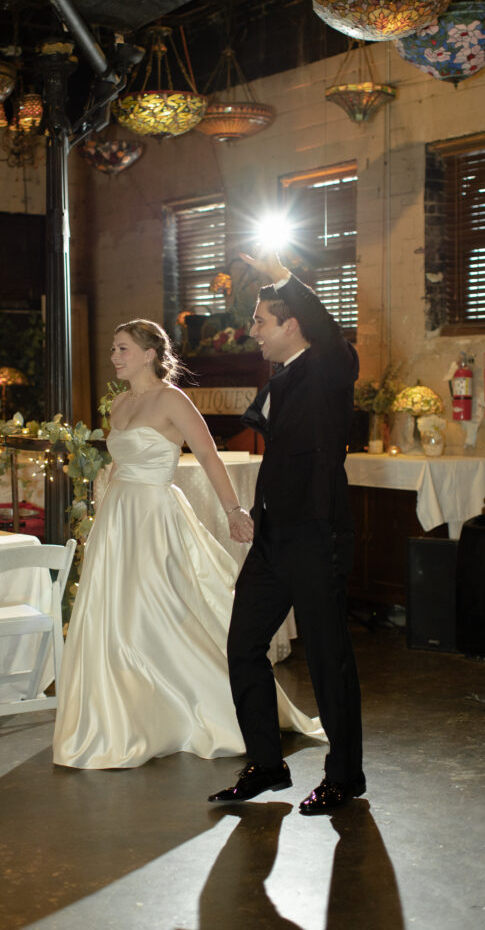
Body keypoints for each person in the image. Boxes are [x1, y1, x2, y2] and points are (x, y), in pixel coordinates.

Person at [52, 318, 325, 769]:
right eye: (114, 349)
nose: (114, 356)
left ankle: (204, 706)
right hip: (118, 519)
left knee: (160, 609)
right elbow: (118, 467)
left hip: (155, 516)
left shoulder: (172, 399)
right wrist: (101, 519)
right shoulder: (119, 405)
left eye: (122, 349)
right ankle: (127, 714)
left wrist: (234, 511)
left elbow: (208, 455)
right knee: (114, 614)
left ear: (149, 354)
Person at [208, 252, 365, 814]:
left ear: (291, 322)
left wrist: (282, 278)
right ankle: (266, 765)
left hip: (316, 534)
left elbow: (329, 332)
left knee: (328, 658)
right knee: (243, 645)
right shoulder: (282, 376)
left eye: (260, 320)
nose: (252, 331)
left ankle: (344, 777)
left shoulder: (329, 366)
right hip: (275, 537)